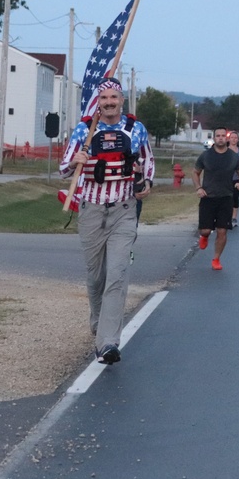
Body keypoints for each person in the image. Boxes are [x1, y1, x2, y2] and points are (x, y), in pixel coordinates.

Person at [60, 80, 155, 365]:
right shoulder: (84, 130)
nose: (109, 102)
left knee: (117, 273)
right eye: (104, 97)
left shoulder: (136, 129)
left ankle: (108, 342)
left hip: (124, 210)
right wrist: (74, 160)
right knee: (96, 276)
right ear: (98, 101)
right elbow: (64, 168)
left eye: (114, 97)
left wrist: (146, 181)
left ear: (122, 100)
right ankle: (98, 322)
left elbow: (148, 161)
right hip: (91, 210)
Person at [192, 127, 239, 271]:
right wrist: (198, 188)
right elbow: (195, 172)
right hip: (208, 198)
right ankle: (204, 236)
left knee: (222, 230)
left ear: (227, 138)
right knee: (205, 230)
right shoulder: (206, 155)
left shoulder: (234, 157)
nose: (221, 138)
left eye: (223, 136)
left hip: (226, 198)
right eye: (218, 136)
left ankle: (216, 258)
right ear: (214, 138)